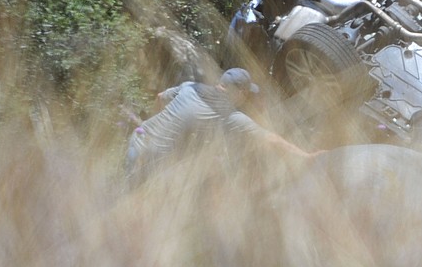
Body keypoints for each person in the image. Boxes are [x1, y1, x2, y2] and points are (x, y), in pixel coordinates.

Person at [125, 67, 316, 183]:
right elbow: (270, 139)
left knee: (127, 189)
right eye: (247, 94)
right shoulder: (229, 115)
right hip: (155, 159)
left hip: (138, 138)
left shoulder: (190, 86)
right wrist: (305, 156)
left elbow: (160, 97)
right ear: (240, 93)